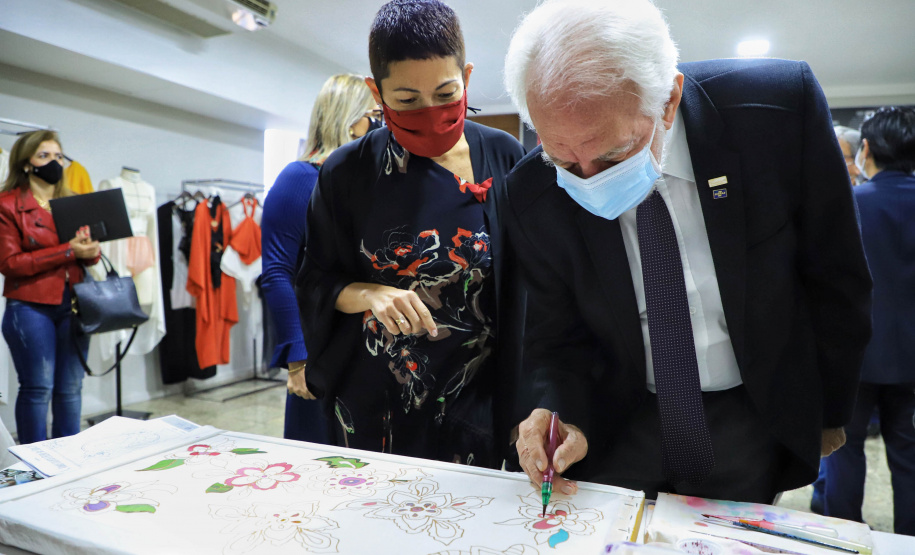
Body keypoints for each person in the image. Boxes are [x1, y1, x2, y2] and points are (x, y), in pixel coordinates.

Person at [503, 0, 872, 502]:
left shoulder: (775, 114)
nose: (590, 180)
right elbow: (553, 334)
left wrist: (830, 411)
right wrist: (558, 409)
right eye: (561, 157)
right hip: (622, 415)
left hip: (752, 406)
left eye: (613, 153)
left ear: (669, 100)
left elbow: (836, 274)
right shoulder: (532, 192)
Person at [298, 0, 525, 467]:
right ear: (375, 92)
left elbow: (533, 281)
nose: (430, 113)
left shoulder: (504, 155)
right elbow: (314, 280)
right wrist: (369, 294)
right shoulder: (348, 172)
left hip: (481, 400)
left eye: (446, 94)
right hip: (377, 403)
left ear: (467, 76)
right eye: (406, 101)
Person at [262, 73, 379, 444]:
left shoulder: (366, 181)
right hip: (321, 347)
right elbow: (278, 273)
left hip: (367, 348)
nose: (377, 125)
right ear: (348, 118)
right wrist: (297, 359)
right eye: (372, 115)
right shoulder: (300, 178)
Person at [822, 106, 915, 535]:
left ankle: (845, 537)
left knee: (845, 452)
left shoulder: (850, 205)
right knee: (909, 457)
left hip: (856, 355)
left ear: (866, 148)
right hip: (912, 361)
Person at [0, 130, 101, 444]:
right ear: (27, 163)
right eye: (45, 156)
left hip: (73, 304)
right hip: (30, 307)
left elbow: (90, 258)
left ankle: (67, 464)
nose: (54, 163)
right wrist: (68, 250)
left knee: (70, 388)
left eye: (59, 156)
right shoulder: (7, 205)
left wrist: (89, 249)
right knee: (37, 388)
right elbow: (10, 263)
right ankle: (33, 466)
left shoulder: (72, 202)